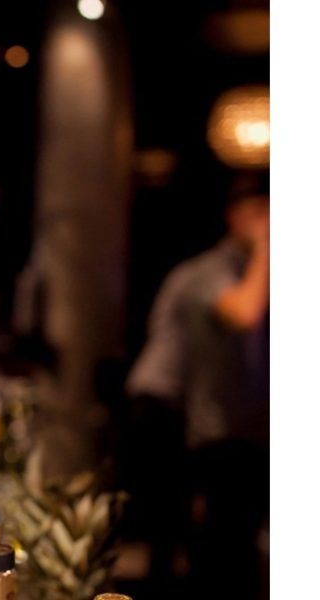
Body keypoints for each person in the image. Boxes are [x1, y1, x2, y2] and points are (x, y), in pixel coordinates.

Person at [126, 172, 269, 598]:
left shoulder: (247, 271)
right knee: (172, 533)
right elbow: (244, 313)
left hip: (205, 413)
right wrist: (267, 246)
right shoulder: (210, 271)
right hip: (160, 406)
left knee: (214, 529)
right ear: (234, 216)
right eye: (261, 214)